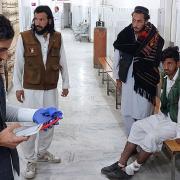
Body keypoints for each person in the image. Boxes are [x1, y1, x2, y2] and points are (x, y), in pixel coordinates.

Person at [101, 46, 180, 179]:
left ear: (178, 63)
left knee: (152, 137)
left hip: (176, 124)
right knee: (137, 126)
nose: (166, 67)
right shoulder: (167, 77)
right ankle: (121, 164)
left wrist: (179, 134)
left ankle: (130, 171)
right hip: (165, 117)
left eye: (170, 63)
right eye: (164, 63)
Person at [13, 5, 69, 179]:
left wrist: (66, 83)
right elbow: (18, 65)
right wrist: (18, 87)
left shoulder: (57, 38)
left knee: (49, 123)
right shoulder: (25, 37)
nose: (38, 22)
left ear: (49, 20)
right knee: (29, 125)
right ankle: (30, 160)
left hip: (50, 88)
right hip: (31, 89)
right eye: (36, 19)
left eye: (42, 19)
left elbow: (63, 61)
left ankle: (43, 153)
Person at [113, 6, 164, 136]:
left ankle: (142, 142)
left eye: (139, 21)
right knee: (127, 111)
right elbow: (117, 57)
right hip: (127, 79)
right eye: (134, 20)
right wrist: (117, 78)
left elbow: (157, 62)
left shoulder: (155, 37)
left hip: (146, 82)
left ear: (146, 21)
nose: (135, 24)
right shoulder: (125, 34)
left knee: (144, 112)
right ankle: (131, 141)